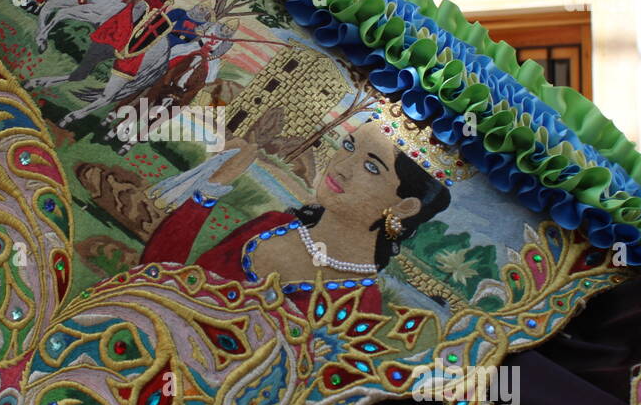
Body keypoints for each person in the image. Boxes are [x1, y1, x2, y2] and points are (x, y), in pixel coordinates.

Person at [140, 115, 451, 312]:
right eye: (348, 146)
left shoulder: (358, 305)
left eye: (371, 167)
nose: (340, 168)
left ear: (405, 206)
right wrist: (213, 186)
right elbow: (155, 279)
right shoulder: (273, 226)